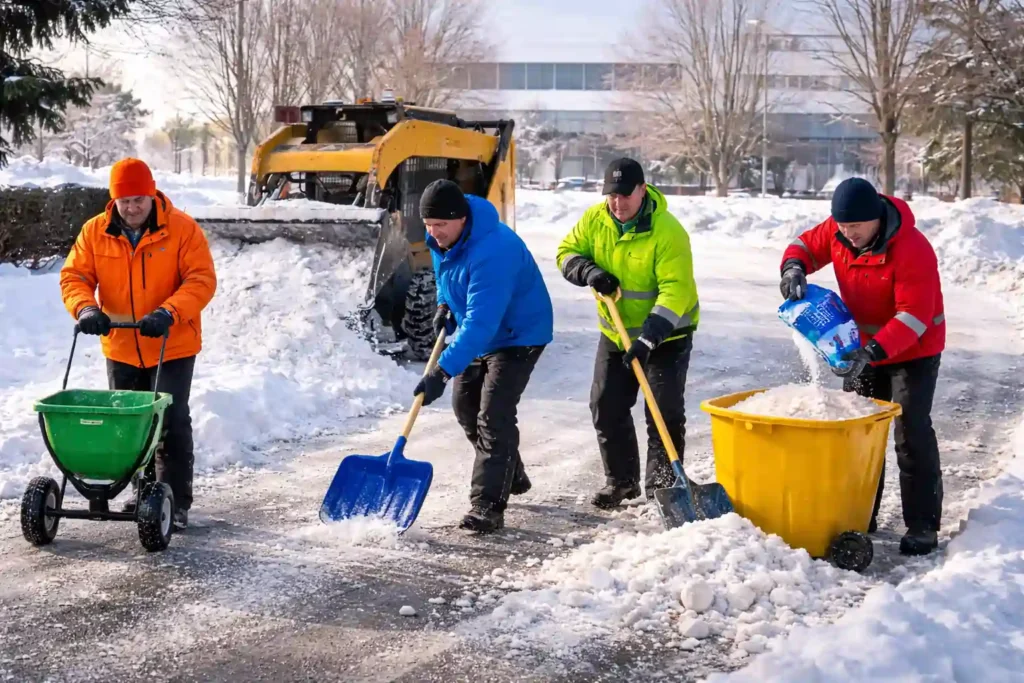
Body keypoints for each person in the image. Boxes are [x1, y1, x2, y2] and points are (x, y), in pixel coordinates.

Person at [779, 177, 946, 556]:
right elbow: (804, 245)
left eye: (856, 226)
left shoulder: (912, 249)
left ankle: (922, 524)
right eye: (842, 226)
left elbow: (914, 316)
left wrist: (871, 353)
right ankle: (860, 512)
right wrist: (793, 268)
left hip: (914, 349)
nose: (848, 234)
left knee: (910, 431)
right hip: (862, 347)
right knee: (858, 432)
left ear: (876, 219)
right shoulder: (838, 232)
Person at [60, 157, 217, 530]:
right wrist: (86, 309)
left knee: (171, 421)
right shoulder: (95, 231)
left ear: (152, 194)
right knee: (129, 425)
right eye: (124, 201)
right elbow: (74, 276)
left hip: (171, 343)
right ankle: (142, 493)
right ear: (113, 200)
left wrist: (168, 312)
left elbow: (201, 280)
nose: (131, 208)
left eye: (138, 200)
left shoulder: (182, 229)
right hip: (122, 344)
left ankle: (174, 501)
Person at [556, 158, 700, 509]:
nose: (617, 204)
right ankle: (621, 481)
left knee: (662, 410)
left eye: (624, 195)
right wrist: (588, 271)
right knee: (606, 404)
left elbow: (676, 292)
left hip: (667, 336)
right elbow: (566, 252)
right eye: (611, 196)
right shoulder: (595, 220)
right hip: (616, 333)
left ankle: (662, 488)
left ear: (642, 190)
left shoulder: (668, 232)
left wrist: (649, 338)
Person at [414, 179, 554, 533]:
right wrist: (444, 304)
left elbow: (482, 322)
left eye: (440, 224)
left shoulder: (494, 250)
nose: (434, 233)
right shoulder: (443, 238)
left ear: (461, 218)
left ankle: (487, 506)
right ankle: (508, 470)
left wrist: (442, 371)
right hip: (481, 330)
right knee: (465, 407)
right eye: (428, 225)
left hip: (518, 334)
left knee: (493, 415)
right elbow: (446, 274)